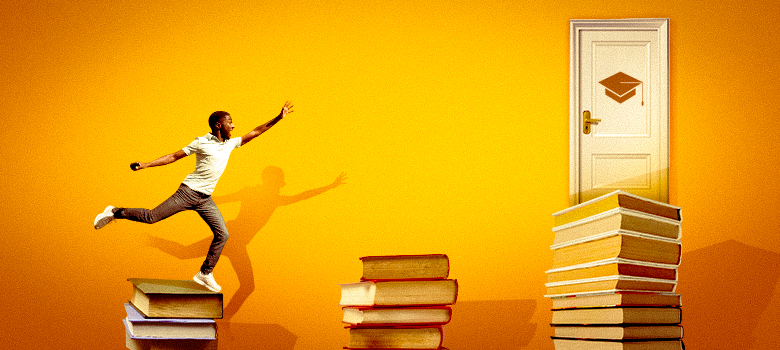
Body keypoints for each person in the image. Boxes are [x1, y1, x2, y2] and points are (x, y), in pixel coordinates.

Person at [93, 101, 294, 292]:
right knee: (151, 217)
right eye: (230, 122)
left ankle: (204, 273)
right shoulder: (201, 143)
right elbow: (173, 156)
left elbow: (256, 131)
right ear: (218, 125)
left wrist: (278, 117)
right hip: (187, 193)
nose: (233, 126)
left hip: (205, 200)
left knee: (223, 234)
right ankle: (114, 211)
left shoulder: (230, 144)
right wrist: (146, 165)